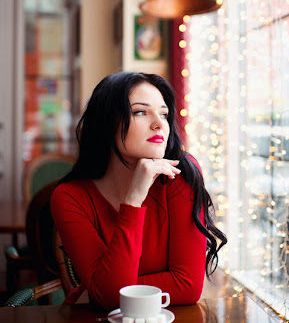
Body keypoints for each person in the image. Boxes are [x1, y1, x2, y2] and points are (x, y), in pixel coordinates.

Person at [50, 71, 227, 310]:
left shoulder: (180, 175)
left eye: (163, 114)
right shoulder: (69, 197)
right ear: (107, 121)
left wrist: (102, 291)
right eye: (140, 112)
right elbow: (110, 296)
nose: (159, 124)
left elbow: (188, 286)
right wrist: (133, 200)